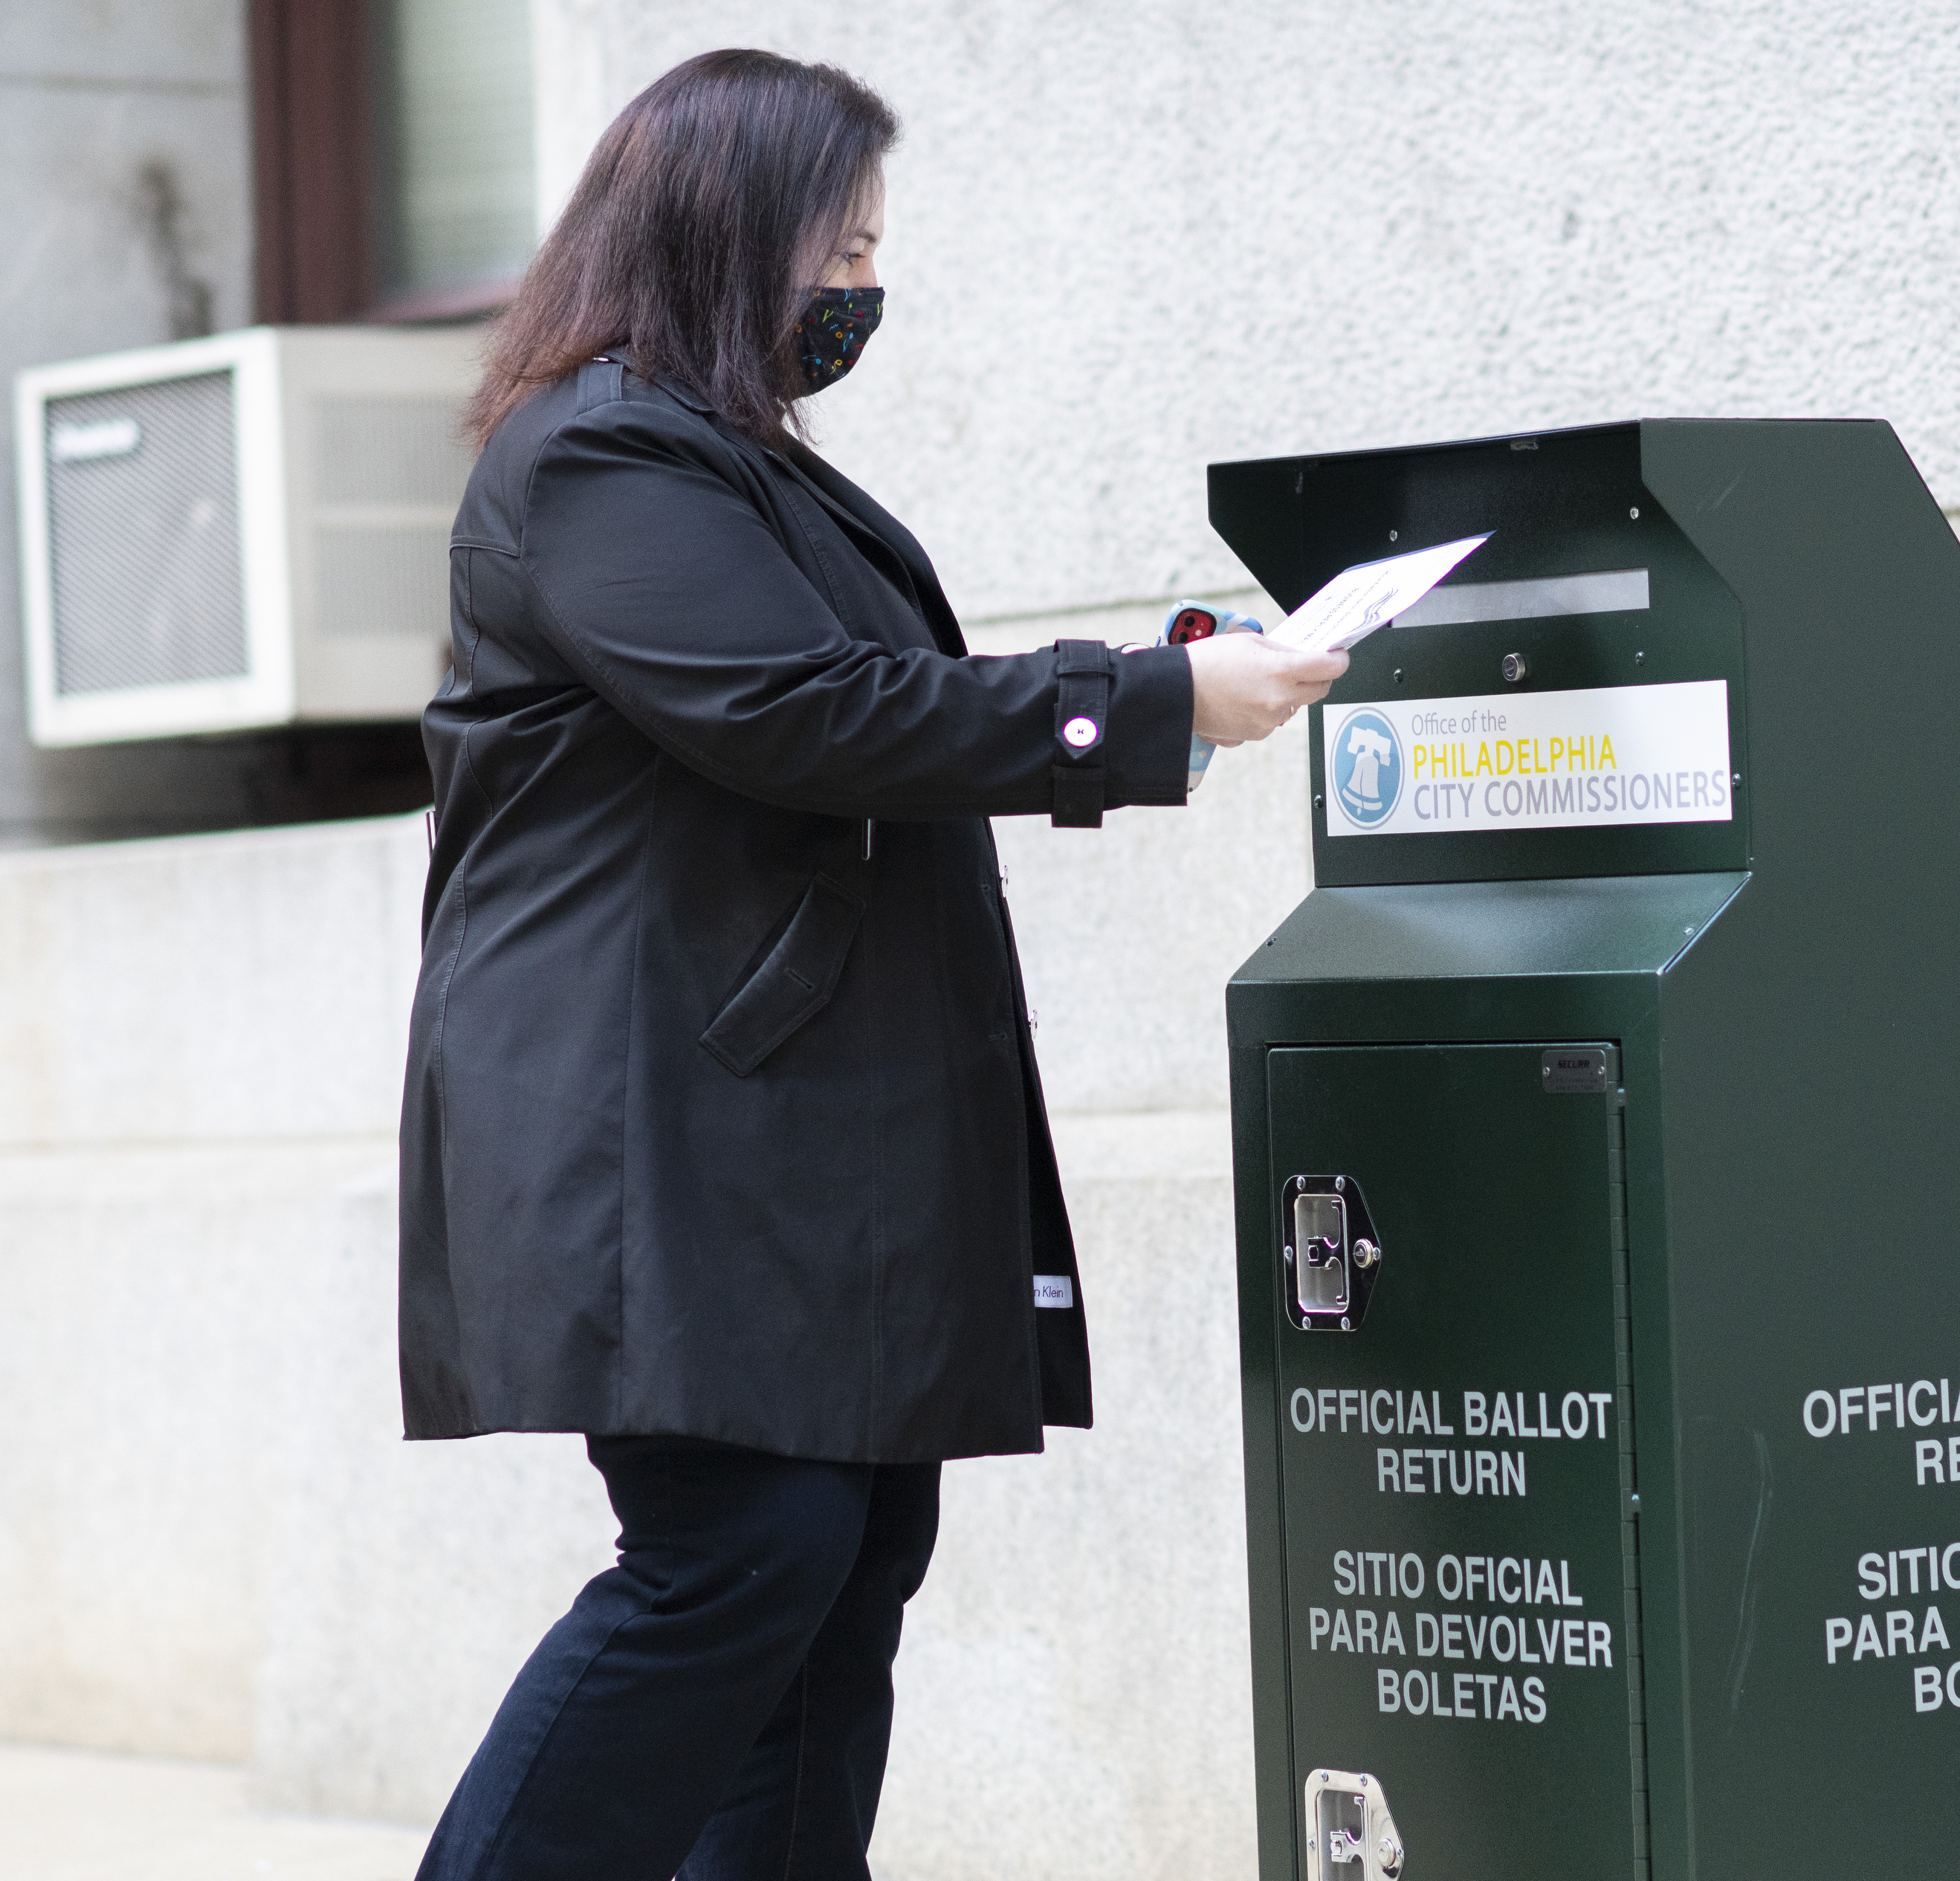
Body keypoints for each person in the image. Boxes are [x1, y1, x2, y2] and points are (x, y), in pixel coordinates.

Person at [395, 48, 1343, 1881]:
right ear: (727, 238)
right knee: (738, 1557)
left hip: (780, 1140)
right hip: (669, 1140)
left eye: (874, 247)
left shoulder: (720, 465)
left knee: (837, 1573)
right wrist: (1144, 705)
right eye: (838, 246)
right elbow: (803, 711)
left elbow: (860, 708)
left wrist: (1159, 691)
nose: (860, 288)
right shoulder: (600, 454)